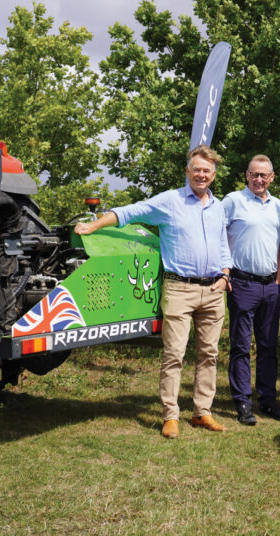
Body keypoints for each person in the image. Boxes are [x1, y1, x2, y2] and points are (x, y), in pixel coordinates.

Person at [74, 145, 232, 440]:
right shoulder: (170, 201)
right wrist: (94, 224)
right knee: (174, 354)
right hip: (179, 289)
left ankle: (202, 412)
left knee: (209, 354)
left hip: (213, 291)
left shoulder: (218, 206)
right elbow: (130, 212)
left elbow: (223, 245)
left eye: (207, 171)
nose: (201, 175)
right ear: (188, 171)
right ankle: (170, 415)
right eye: (196, 169)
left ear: (213, 174)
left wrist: (225, 275)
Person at [222, 155, 280, 425]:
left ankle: (268, 400)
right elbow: (218, 235)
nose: (259, 179)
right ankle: (242, 401)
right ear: (247, 176)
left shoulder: (277, 205)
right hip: (242, 283)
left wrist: (279, 281)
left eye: (264, 175)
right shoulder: (232, 201)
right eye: (255, 174)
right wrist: (224, 272)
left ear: (272, 177)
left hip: (270, 286)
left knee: (268, 346)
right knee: (240, 346)